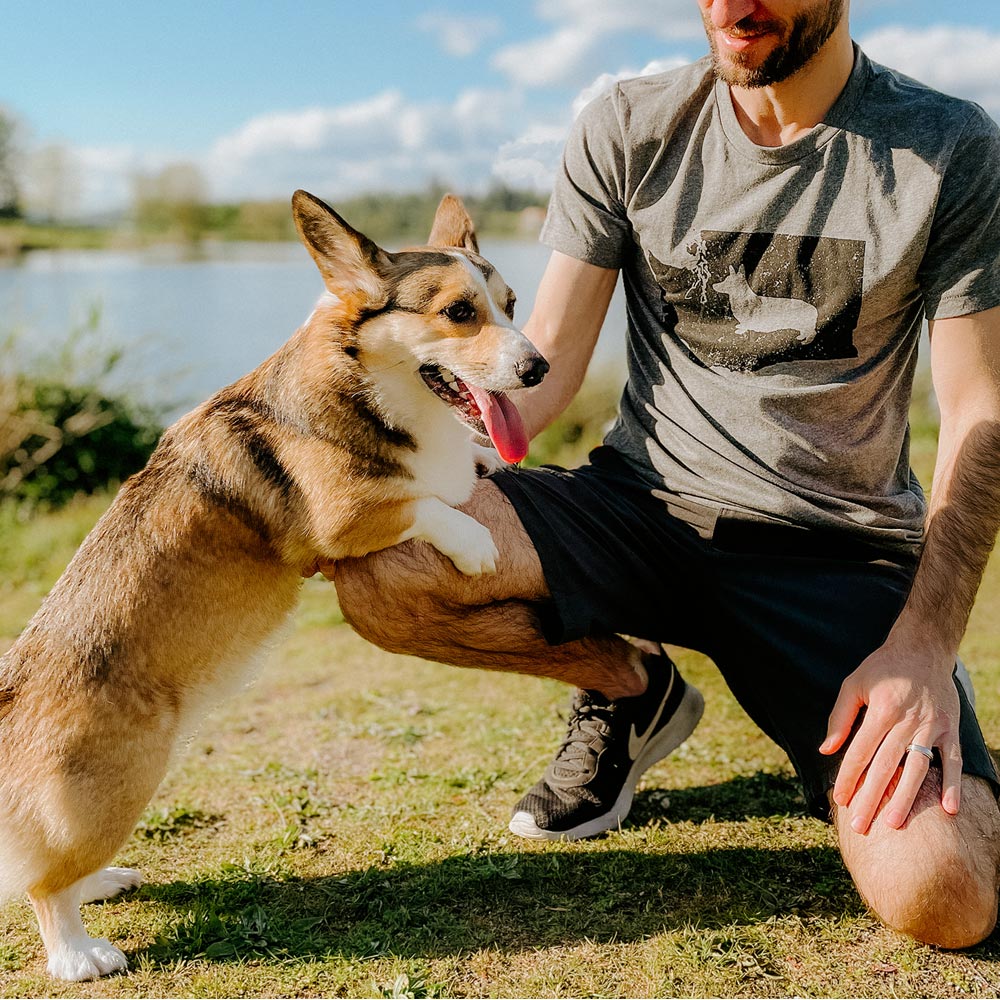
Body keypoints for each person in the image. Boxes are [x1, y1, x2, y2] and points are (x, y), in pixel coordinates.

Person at [332, 0, 1000, 948]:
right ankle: (630, 687)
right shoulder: (628, 124)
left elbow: (981, 410)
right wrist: (362, 387)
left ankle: (913, 695)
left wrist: (925, 643)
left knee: (946, 897)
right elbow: (545, 365)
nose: (732, 8)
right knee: (379, 559)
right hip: (636, 509)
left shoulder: (948, 146)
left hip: (832, 557)